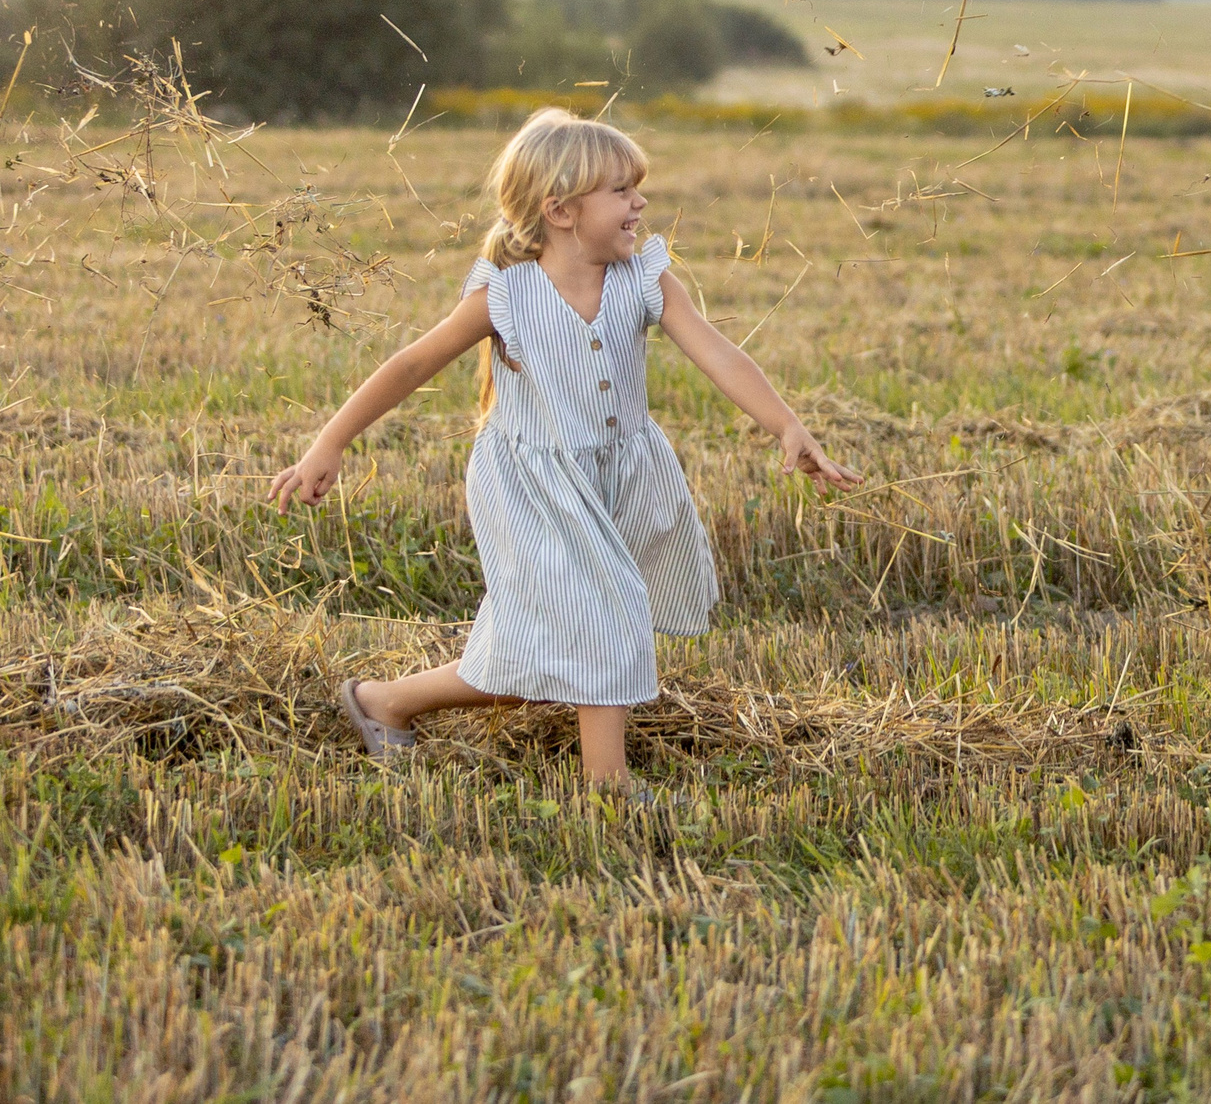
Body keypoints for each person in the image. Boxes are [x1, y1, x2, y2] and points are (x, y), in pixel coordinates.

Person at [271, 107, 860, 788]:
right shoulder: (506, 294)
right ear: (560, 209)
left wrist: (786, 423)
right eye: (620, 189)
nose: (639, 200)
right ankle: (608, 786)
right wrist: (330, 442)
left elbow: (716, 351)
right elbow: (410, 364)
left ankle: (384, 700)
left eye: (637, 186)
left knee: (551, 652)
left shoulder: (643, 277)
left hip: (619, 475)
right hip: (532, 486)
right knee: (601, 621)